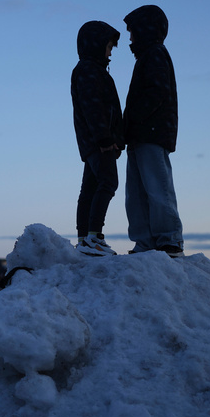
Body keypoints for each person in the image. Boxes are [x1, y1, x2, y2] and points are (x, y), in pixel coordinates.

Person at [122, 4, 184, 256]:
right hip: (138, 134)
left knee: (158, 188)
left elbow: (155, 93)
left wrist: (132, 120)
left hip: (152, 132)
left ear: (144, 30)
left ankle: (169, 239)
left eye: (132, 31)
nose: (130, 38)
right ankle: (145, 241)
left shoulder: (155, 54)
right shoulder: (148, 56)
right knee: (136, 193)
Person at [71, 20, 125, 256]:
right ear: (96, 45)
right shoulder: (90, 71)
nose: (110, 52)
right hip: (98, 142)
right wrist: (105, 139)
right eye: (109, 47)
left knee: (90, 188)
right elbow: (93, 108)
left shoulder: (92, 70)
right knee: (108, 182)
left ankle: (84, 239)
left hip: (93, 142)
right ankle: (93, 237)